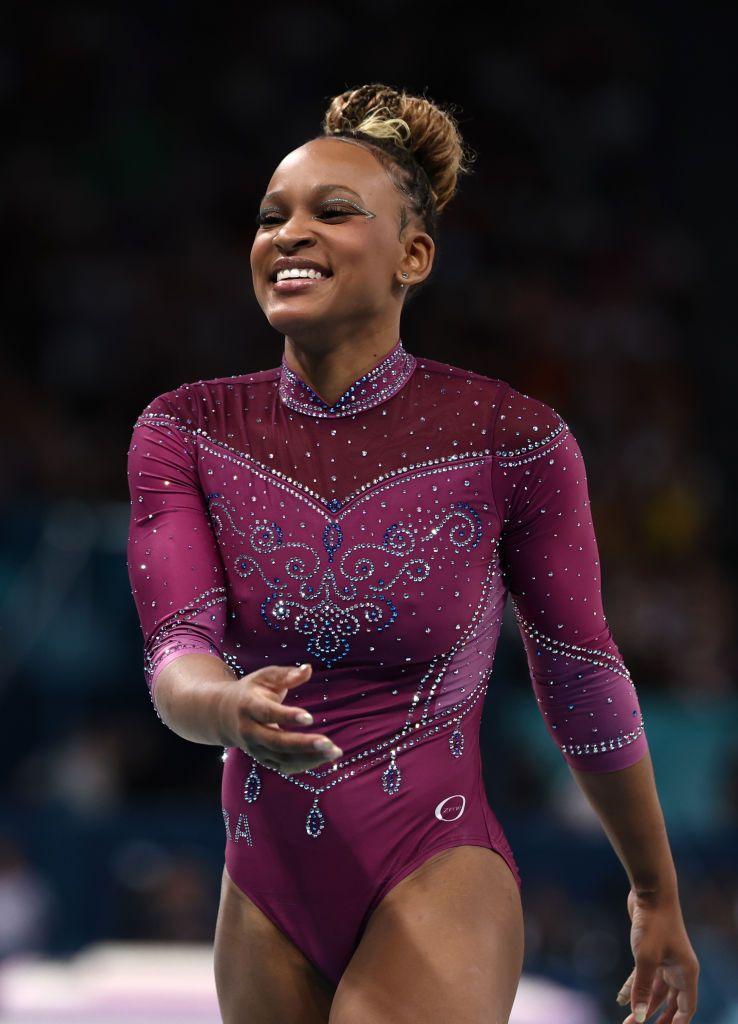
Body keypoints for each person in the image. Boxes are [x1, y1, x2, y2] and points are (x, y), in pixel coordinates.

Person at [126, 83, 699, 1024]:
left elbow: (582, 672)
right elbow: (175, 650)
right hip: (262, 885)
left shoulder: (509, 439)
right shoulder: (186, 431)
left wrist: (653, 889)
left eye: (333, 212)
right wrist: (223, 704)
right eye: (273, 217)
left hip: (436, 867)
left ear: (414, 255)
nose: (289, 234)